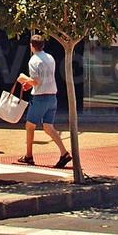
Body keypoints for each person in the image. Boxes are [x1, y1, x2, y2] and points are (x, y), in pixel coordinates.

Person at [15, 35, 70, 169]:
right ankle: (64, 153)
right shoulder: (50, 58)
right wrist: (31, 83)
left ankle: (29, 156)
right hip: (52, 95)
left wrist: (24, 79)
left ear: (31, 45)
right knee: (48, 126)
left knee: (30, 125)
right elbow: (44, 78)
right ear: (43, 45)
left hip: (40, 97)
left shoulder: (33, 60)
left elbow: (36, 81)